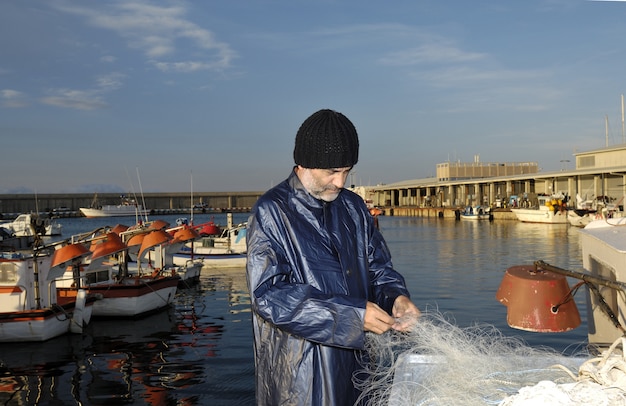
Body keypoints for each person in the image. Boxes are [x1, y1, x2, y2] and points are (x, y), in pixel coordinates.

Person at [246, 109, 421, 405]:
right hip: (300, 376)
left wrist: (396, 298)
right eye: (331, 172)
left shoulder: (353, 207)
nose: (340, 182)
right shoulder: (271, 211)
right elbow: (269, 295)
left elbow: (378, 268)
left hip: (360, 370)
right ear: (304, 163)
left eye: (346, 171)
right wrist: (353, 315)